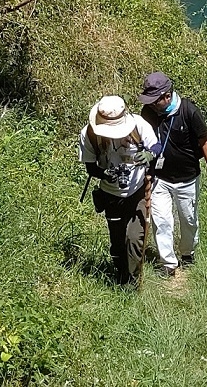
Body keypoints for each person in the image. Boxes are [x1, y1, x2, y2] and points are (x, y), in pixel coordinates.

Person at [138, 71, 207, 277]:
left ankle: (187, 254)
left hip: (187, 178)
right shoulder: (147, 112)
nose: (150, 104)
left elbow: (205, 142)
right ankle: (168, 263)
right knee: (162, 221)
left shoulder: (189, 111)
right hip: (160, 178)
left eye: (154, 100)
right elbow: (144, 142)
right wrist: (146, 171)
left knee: (189, 220)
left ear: (166, 96)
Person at [79, 94, 159, 286]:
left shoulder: (138, 125)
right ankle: (120, 273)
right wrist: (105, 173)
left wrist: (149, 154)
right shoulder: (89, 134)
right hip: (110, 195)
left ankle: (131, 284)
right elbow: (90, 167)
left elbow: (157, 145)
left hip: (138, 191)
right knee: (117, 241)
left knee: (134, 238)